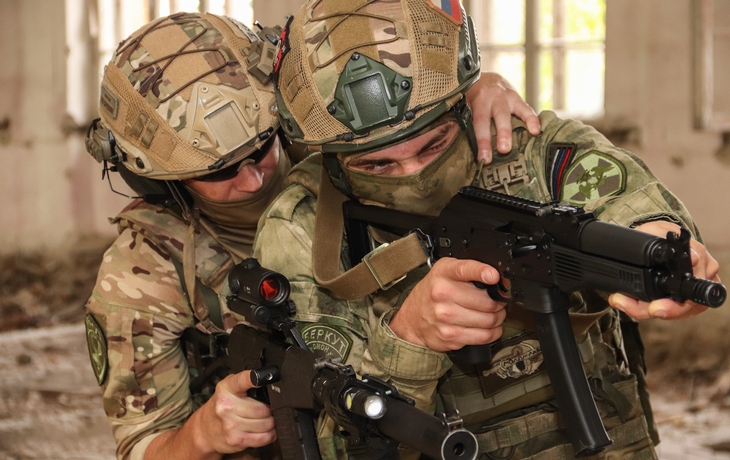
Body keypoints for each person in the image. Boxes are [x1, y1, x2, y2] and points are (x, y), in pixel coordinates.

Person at [255, 0, 721, 459]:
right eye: (377, 165)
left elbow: (623, 199)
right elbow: (331, 440)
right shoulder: (301, 228)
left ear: (462, 107)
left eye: (434, 145)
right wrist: (410, 337)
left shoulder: (526, 145)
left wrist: (655, 234)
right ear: (332, 160)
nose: (414, 176)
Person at [82, 11, 539, 460]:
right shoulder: (143, 271)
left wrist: (477, 88)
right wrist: (202, 434)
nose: (253, 181)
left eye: (261, 147)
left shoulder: (325, 143)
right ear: (158, 180)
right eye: (218, 172)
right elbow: (142, 444)